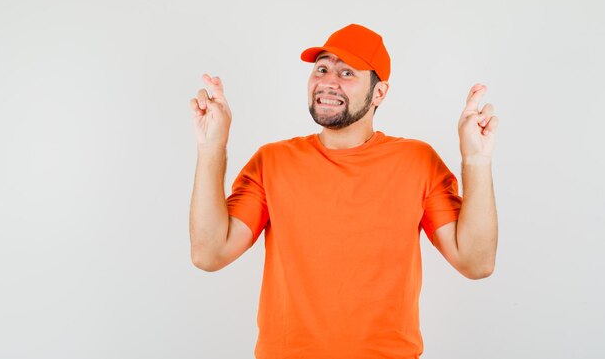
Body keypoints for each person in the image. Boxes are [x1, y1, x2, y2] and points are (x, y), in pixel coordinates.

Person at [189, 23, 499, 359]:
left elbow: (475, 261)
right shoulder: (272, 161)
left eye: (347, 73)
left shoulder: (417, 162)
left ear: (379, 93)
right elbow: (209, 253)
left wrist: (476, 160)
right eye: (321, 68)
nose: (327, 81)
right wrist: (212, 146)